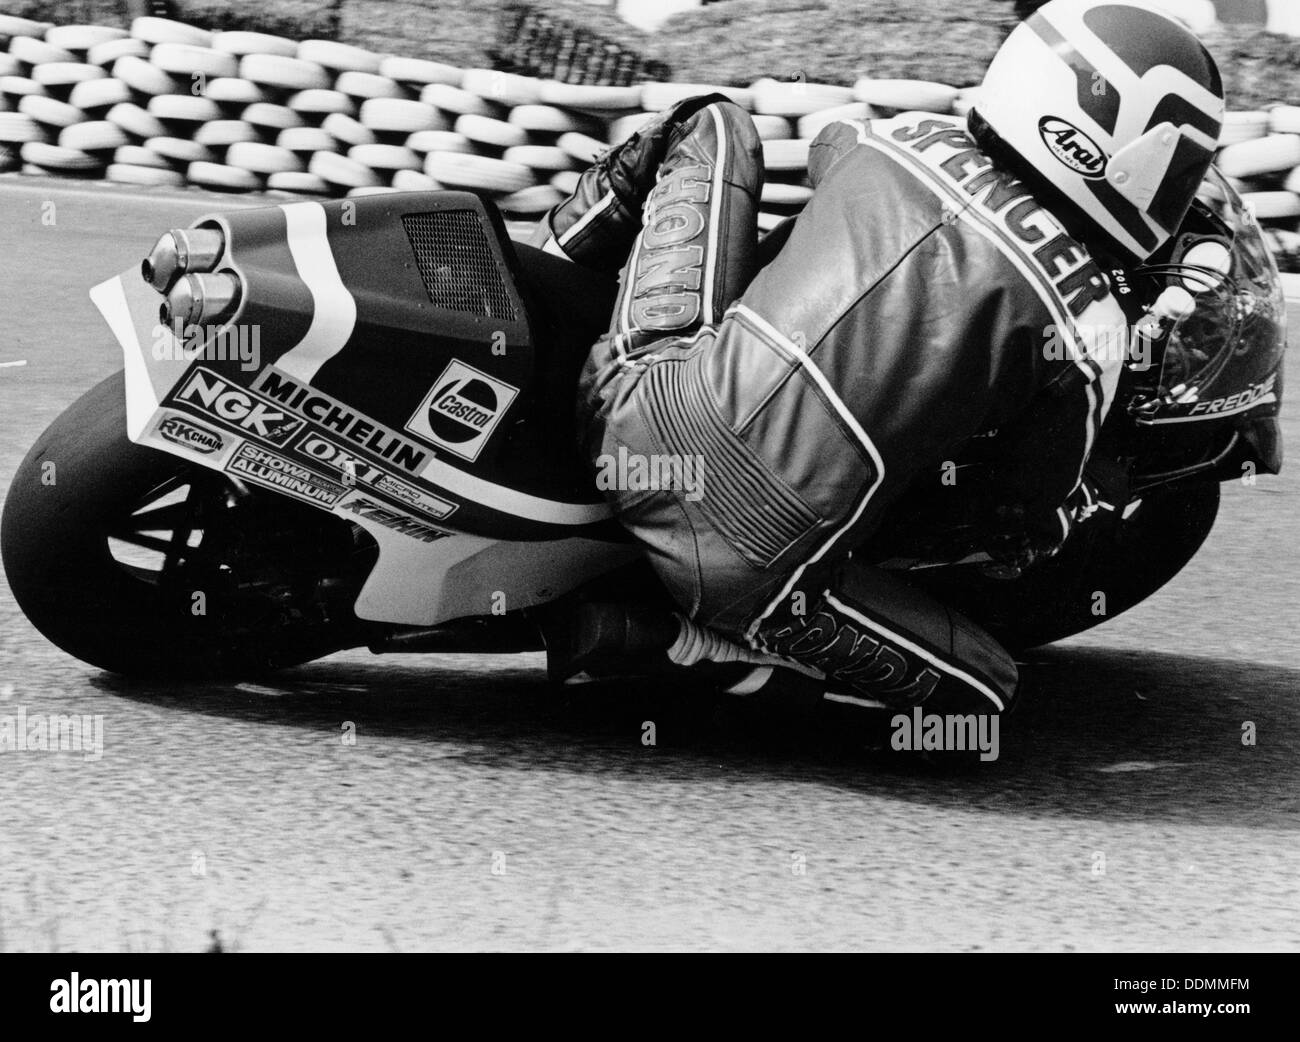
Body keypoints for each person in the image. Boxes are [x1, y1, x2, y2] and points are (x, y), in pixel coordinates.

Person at [533, 0, 1226, 719]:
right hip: (753, 567)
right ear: (1125, 147)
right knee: (981, 698)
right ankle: (667, 643)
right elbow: (1019, 518)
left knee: (708, 122)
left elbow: (831, 146)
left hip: (638, 394)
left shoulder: (905, 133)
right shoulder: (1096, 328)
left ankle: (537, 281)